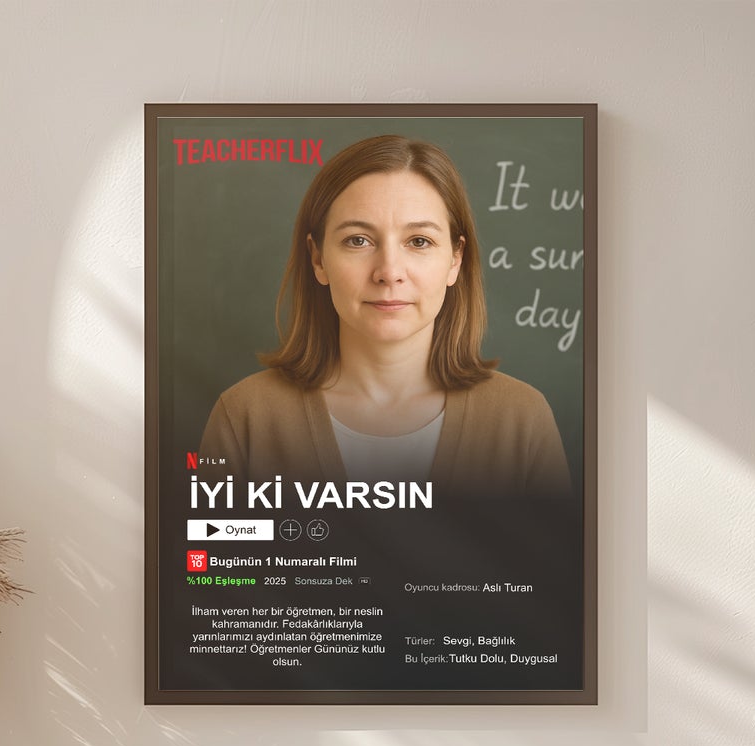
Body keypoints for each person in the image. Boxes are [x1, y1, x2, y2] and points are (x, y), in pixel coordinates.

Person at [199, 134, 571, 501]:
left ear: (455, 259)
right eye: (358, 240)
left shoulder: (523, 421)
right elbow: (209, 554)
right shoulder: (245, 417)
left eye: (419, 242)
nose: (389, 271)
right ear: (317, 259)